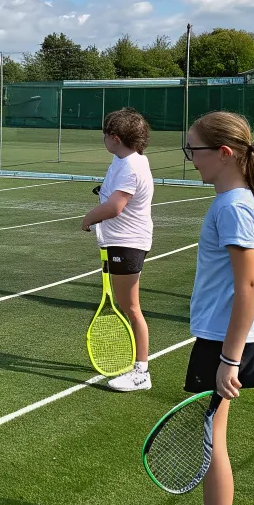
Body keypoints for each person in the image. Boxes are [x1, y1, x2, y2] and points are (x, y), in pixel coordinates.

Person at [154, 111, 254, 505]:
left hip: (227, 343)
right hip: (224, 338)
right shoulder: (233, 199)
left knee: (211, 446)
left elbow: (249, 285)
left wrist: (228, 359)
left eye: (194, 151)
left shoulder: (232, 206)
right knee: (212, 440)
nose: (190, 160)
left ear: (224, 154)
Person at [80, 108, 154, 391]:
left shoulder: (131, 166)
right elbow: (115, 195)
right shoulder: (126, 159)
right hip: (121, 241)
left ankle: (141, 372)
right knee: (128, 306)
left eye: (105, 135)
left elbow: (116, 207)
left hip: (128, 242)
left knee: (131, 308)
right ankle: (139, 367)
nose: (103, 140)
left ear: (115, 137)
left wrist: (89, 217)